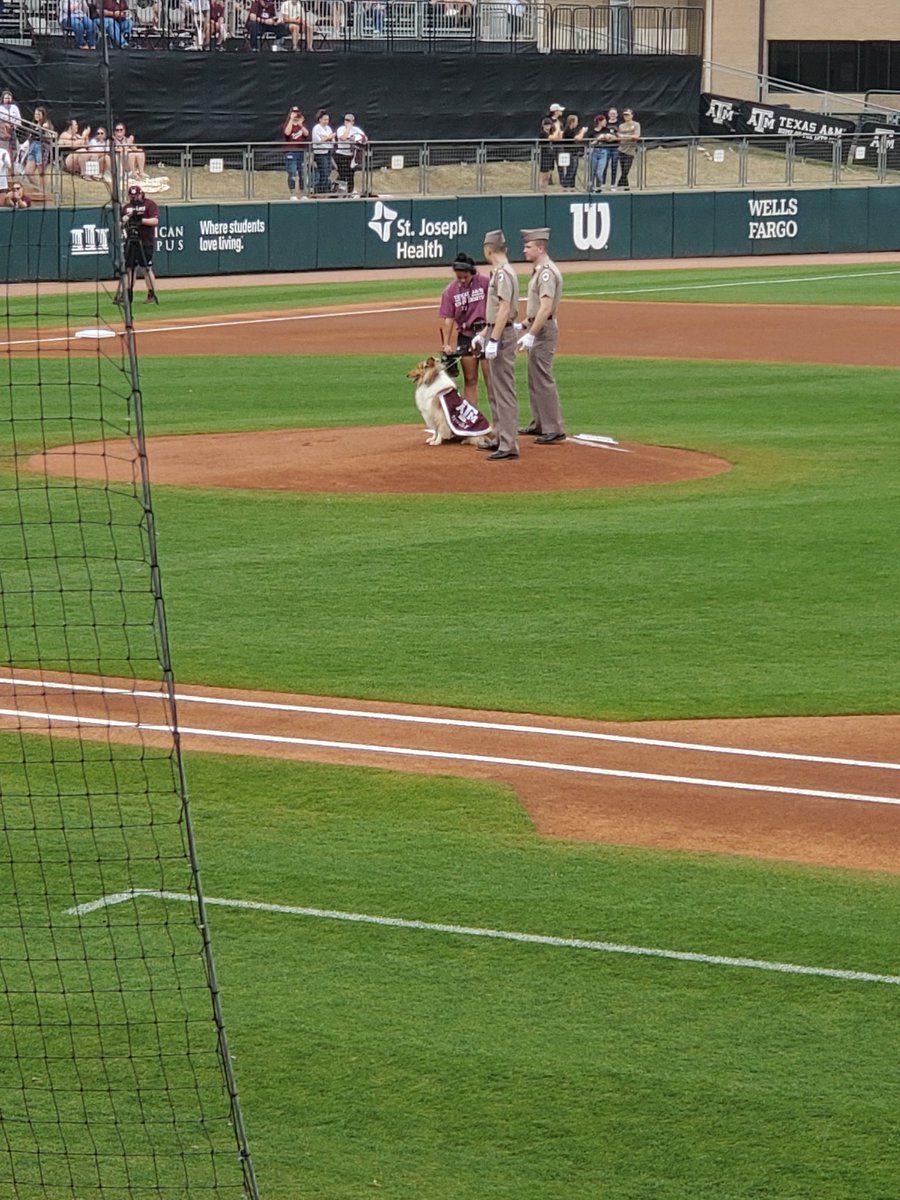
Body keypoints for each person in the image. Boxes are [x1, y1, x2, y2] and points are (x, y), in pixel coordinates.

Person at [472, 229, 520, 461]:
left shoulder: (502, 273)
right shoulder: (502, 272)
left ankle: (508, 444)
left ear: (488, 250)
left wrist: (493, 339)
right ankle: (500, 436)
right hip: (494, 330)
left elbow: (504, 309)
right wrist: (484, 334)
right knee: (495, 389)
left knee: (504, 391)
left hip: (501, 334)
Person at [517, 228, 565, 444]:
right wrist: (524, 324)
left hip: (544, 330)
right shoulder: (539, 271)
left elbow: (546, 308)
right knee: (534, 378)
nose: (524, 250)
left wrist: (532, 334)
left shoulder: (546, 273)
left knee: (543, 378)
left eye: (528, 246)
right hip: (538, 327)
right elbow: (538, 309)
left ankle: (553, 428)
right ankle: (540, 423)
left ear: (540, 248)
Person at [438, 252, 490, 408]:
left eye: (465, 277)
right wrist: (446, 344)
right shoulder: (450, 290)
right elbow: (448, 318)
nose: (461, 280)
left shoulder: (485, 283)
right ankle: (471, 417)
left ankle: (499, 418)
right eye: (458, 277)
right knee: (470, 379)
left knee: (491, 380)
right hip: (466, 335)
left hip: (486, 333)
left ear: (472, 272)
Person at [118, 182, 160, 305]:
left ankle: (151, 294)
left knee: (146, 268)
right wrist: (124, 221)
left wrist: (141, 220)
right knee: (129, 268)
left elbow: (155, 221)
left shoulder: (149, 204)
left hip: (146, 241)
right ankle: (127, 294)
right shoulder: (126, 207)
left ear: (141, 194)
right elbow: (119, 225)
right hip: (131, 241)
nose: (134, 198)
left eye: (136, 195)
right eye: (132, 196)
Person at [23, 106, 55, 193]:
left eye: (38, 114)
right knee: (28, 171)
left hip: (42, 147)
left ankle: (42, 191)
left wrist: (43, 128)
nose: (36, 116)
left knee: (41, 172)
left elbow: (50, 133)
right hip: (33, 146)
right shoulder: (33, 124)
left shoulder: (46, 124)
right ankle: (37, 188)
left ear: (43, 115)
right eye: (35, 114)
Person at [333, 113, 366, 195]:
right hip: (341, 155)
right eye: (346, 120)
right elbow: (343, 138)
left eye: (349, 121)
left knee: (351, 175)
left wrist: (356, 138)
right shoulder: (341, 129)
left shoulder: (356, 129)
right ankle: (337, 191)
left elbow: (364, 138)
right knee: (343, 174)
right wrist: (348, 128)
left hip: (351, 156)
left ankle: (349, 192)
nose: (347, 122)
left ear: (353, 122)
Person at [282, 106, 308, 198]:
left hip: (301, 151)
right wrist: (291, 120)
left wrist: (300, 124)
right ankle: (292, 192)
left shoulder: (302, 124)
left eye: (297, 113)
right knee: (292, 172)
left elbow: (306, 134)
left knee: (302, 173)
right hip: (291, 151)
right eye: (294, 113)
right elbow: (287, 133)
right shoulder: (287, 124)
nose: (296, 115)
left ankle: (302, 192)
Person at [559, 112, 587, 189]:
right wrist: (583, 131)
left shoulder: (572, 130)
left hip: (573, 153)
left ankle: (571, 186)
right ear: (572, 122)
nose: (577, 123)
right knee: (571, 171)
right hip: (570, 153)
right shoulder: (568, 131)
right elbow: (578, 138)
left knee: (573, 171)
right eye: (576, 121)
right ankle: (565, 184)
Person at [588, 112, 615, 191]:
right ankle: (591, 188)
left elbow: (614, 137)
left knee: (599, 172)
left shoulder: (606, 130)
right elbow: (590, 144)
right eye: (604, 121)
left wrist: (609, 136)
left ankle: (599, 188)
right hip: (594, 151)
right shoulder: (592, 131)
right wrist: (598, 139)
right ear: (600, 121)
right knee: (592, 171)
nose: (606, 122)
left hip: (603, 152)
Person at [615, 107, 641, 191]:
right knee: (623, 170)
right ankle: (626, 188)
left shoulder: (636, 124)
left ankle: (619, 183)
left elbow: (636, 136)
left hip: (630, 150)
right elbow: (619, 137)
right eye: (624, 115)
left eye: (627, 115)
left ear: (632, 115)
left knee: (626, 170)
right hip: (621, 149)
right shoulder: (621, 126)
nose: (626, 116)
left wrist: (625, 136)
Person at [311, 108, 335, 194]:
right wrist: (327, 138)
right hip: (320, 153)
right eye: (324, 119)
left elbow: (333, 140)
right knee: (323, 172)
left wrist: (328, 139)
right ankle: (319, 190)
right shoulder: (316, 128)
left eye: (327, 119)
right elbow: (317, 141)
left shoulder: (328, 128)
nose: (326, 121)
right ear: (320, 119)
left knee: (328, 171)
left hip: (328, 152)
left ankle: (324, 189)